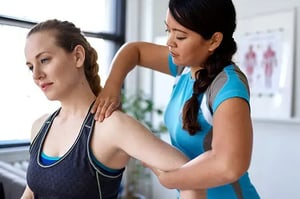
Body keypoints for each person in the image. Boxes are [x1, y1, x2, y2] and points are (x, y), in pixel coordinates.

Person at [91, 0, 261, 198]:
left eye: (180, 36)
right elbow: (134, 50)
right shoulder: (186, 67)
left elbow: (230, 166)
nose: (169, 41)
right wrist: (112, 86)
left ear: (214, 41)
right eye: (168, 30)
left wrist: (168, 179)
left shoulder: (227, 86)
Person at [20, 19, 205, 199]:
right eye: (30, 67)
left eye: (44, 60)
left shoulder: (111, 126)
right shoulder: (40, 126)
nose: (36, 75)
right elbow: (31, 192)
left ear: (77, 56)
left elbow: (191, 176)